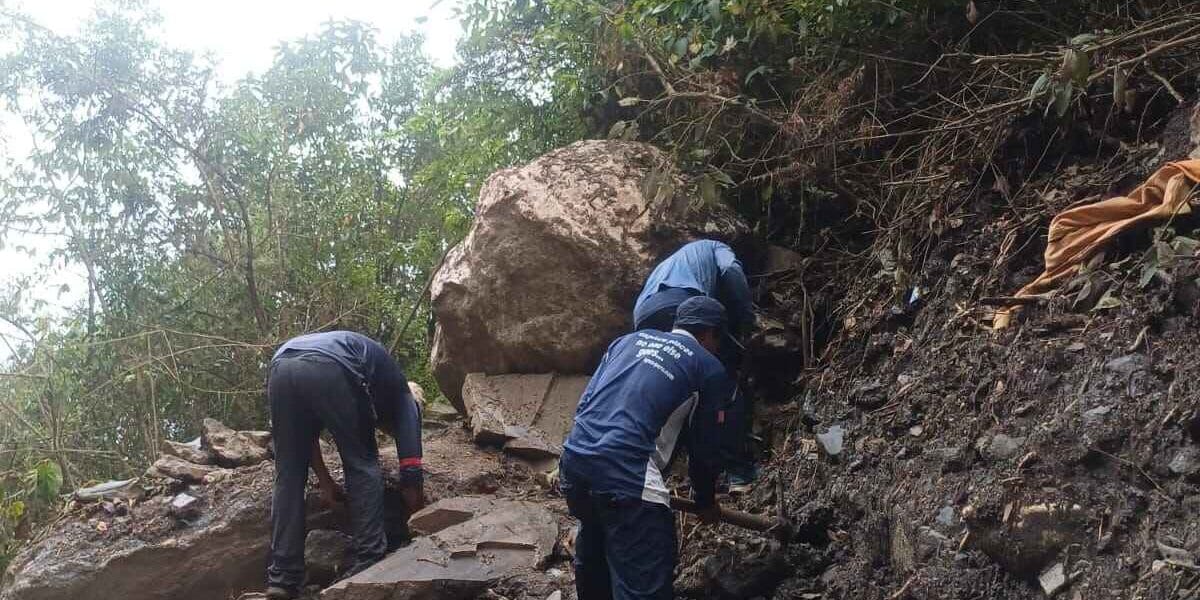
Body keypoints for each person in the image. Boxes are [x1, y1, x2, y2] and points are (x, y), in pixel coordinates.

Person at [559, 296, 734, 600]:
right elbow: (705, 449)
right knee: (644, 583)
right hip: (628, 477)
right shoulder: (708, 367)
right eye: (719, 341)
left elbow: (585, 404)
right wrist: (705, 499)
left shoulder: (626, 342)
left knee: (596, 538)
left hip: (575, 463)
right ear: (711, 334)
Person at [265, 330, 424, 600]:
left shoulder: (375, 371)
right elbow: (410, 463)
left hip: (281, 365)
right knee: (361, 461)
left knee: (288, 472)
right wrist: (416, 503)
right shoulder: (404, 395)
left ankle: (282, 578)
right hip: (331, 365)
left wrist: (326, 482)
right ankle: (371, 559)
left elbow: (308, 439)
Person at [633, 239, 757, 492]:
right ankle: (737, 472)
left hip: (644, 314)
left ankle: (654, 467)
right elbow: (731, 269)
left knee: (669, 388)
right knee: (723, 386)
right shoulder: (715, 246)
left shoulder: (669, 262)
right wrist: (747, 317)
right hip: (682, 305)